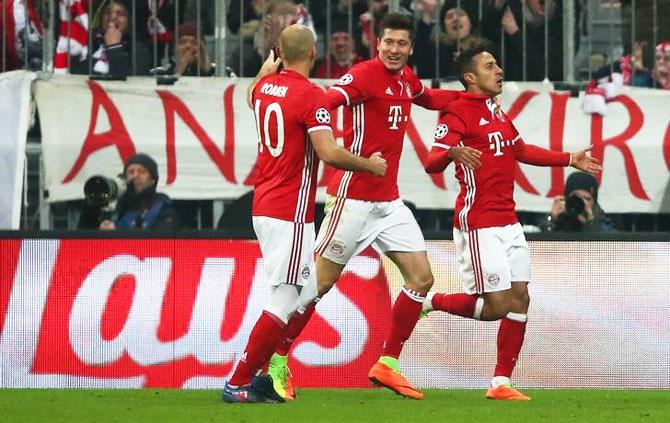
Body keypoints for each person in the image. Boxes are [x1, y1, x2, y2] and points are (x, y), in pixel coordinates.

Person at [268, 12, 463, 401]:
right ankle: (276, 359)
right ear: (378, 44)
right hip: (351, 199)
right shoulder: (361, 76)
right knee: (317, 287)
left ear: (410, 47)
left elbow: (427, 98)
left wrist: (470, 98)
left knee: (422, 280)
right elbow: (326, 99)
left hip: (388, 202)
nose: (394, 49)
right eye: (388, 42)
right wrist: (294, 101)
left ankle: (387, 364)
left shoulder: (406, 78)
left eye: (402, 44)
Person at [420, 46, 601, 400]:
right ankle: (432, 301)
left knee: (521, 299)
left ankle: (500, 382)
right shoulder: (456, 113)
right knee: (496, 306)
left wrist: (569, 159)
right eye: (490, 65)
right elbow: (431, 162)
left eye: (498, 63)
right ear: (470, 77)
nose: (499, 70)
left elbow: (520, 150)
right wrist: (451, 152)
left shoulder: (495, 111)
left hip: (508, 221)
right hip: (479, 223)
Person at [222, 24, 388, 404]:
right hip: (290, 211)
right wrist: (368, 165)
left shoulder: (264, 87)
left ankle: (261, 374)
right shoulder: (312, 97)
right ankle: (240, 380)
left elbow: (251, 95)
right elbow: (328, 153)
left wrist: (266, 71)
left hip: (264, 204)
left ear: (279, 52)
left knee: (309, 291)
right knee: (285, 299)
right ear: (314, 55)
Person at [97, 153, 180, 231]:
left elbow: (162, 240)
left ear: (152, 180)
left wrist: (118, 231)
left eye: (141, 172)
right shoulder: (118, 203)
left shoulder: (162, 206)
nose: (135, 176)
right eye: (131, 172)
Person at [70, 0, 152, 77]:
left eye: (120, 14)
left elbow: (129, 81)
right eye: (108, 13)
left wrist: (114, 47)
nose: (112, 17)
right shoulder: (87, 44)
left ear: (128, 22)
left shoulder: (138, 50)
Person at [414, 2, 494, 79]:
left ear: (471, 23)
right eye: (449, 16)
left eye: (461, 14)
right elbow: (421, 52)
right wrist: (427, 17)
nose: (455, 19)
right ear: (445, 28)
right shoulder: (438, 53)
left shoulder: (486, 50)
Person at [540, 172, 614, 232]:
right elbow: (541, 245)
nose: (581, 202)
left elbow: (601, 247)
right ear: (567, 198)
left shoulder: (603, 225)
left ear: (594, 201)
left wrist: (591, 224)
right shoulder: (558, 221)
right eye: (577, 197)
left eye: (587, 199)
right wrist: (552, 218)